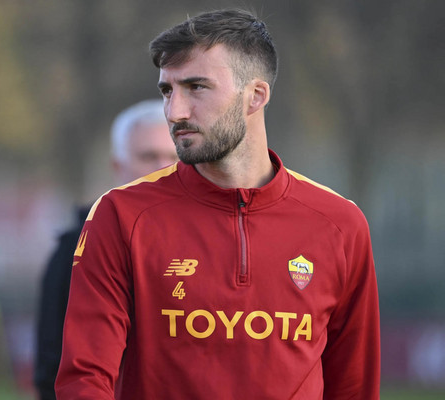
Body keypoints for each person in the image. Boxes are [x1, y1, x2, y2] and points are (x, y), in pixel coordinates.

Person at [55, 9, 380, 400]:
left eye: (196, 87)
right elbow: (84, 379)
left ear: (255, 96)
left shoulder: (340, 224)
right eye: (167, 91)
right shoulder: (121, 215)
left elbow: (354, 387)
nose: (174, 112)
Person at [34, 99, 178, 399]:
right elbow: (52, 366)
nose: (163, 167)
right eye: (149, 156)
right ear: (118, 166)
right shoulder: (76, 248)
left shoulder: (213, 241)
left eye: (174, 156)